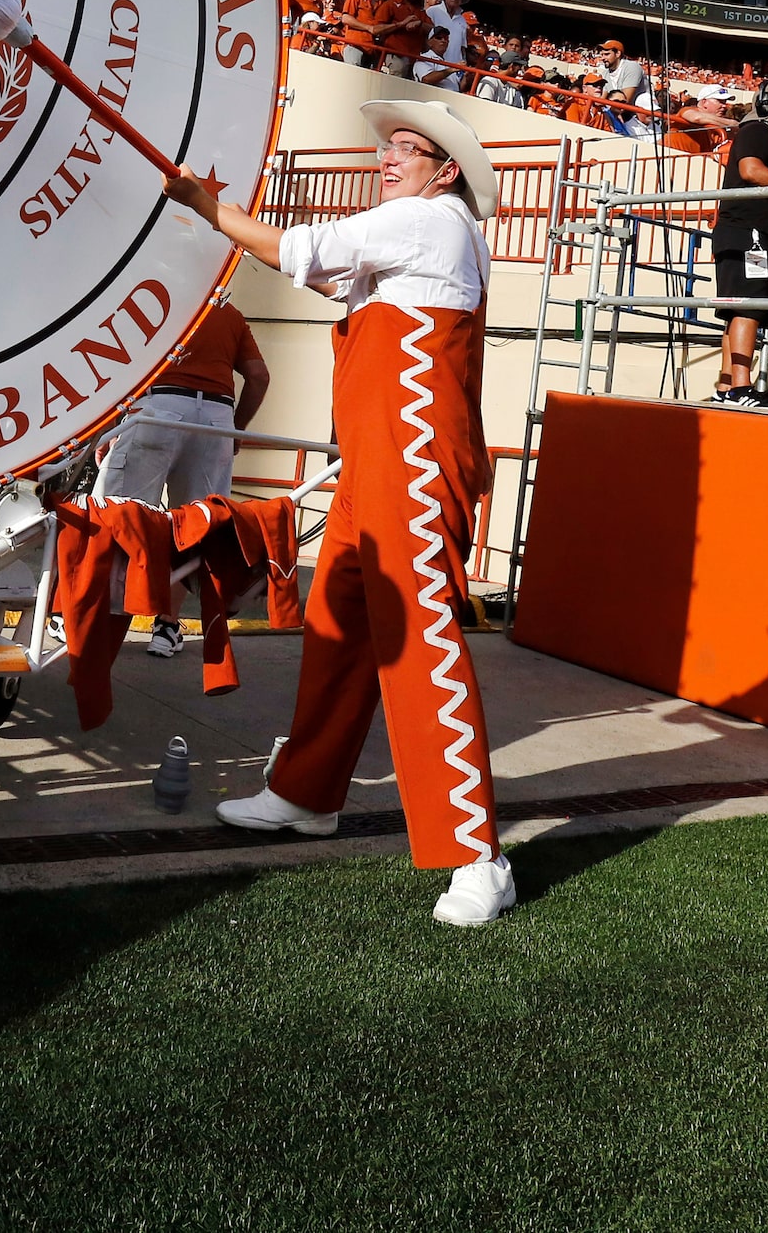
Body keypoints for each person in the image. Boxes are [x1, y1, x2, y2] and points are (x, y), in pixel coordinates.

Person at [166, 101, 513, 927]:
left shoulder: (429, 221)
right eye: (386, 147)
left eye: (408, 148)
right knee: (336, 626)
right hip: (377, 463)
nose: (388, 157)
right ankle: (303, 794)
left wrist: (202, 203)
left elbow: (299, 251)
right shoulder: (413, 230)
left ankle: (477, 854)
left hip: (416, 464)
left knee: (419, 645)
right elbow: (317, 269)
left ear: (445, 169)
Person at [99, 295, 271, 656]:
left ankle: (99, 619)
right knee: (193, 528)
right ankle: (166, 626)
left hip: (158, 406)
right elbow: (258, 376)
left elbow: (120, 366)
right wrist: (236, 430)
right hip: (216, 420)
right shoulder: (231, 314)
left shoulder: (153, 301)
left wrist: (112, 426)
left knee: (118, 516)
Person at [709, 81, 768, 401]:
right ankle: (739, 387)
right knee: (746, 308)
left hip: (759, 236)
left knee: (740, 310)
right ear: (767, 105)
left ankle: (727, 386)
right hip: (750, 235)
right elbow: (750, 169)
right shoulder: (757, 130)